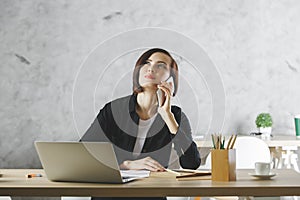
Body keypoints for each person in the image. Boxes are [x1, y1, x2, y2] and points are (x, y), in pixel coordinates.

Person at [80, 48, 201, 200]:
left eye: (161, 65)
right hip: (110, 195)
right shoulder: (113, 110)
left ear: (171, 79)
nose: (151, 68)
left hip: (151, 195)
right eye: (146, 63)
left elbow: (192, 163)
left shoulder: (175, 116)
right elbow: (84, 154)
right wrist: (126, 165)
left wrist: (167, 116)